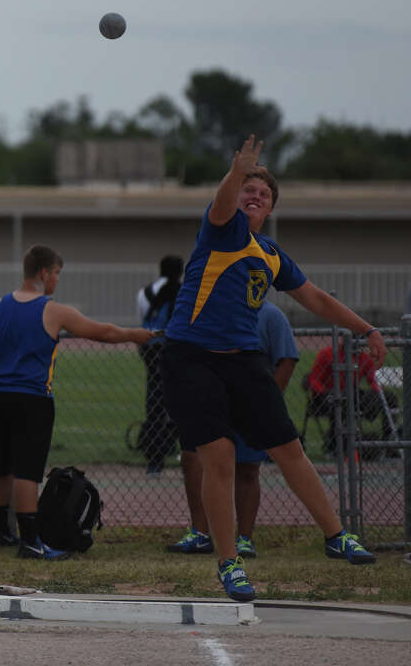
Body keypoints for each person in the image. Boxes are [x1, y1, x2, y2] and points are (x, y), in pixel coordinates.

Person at [160, 135, 384, 602]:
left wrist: (367, 330)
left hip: (244, 361)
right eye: (248, 190)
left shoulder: (271, 254)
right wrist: (238, 170)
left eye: (262, 195)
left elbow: (316, 298)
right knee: (218, 458)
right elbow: (223, 200)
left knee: (288, 447)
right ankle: (229, 564)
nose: (253, 197)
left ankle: (335, 535)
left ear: (270, 210)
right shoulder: (221, 228)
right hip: (192, 357)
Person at [0, 244, 153, 560]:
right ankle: (30, 541)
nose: (57, 280)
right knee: (27, 470)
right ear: (44, 273)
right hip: (31, 396)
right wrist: (137, 335)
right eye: (57, 273)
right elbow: (104, 333)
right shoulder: (52, 309)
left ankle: (2, 532)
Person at [167, 300, 299, 558]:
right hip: (208, 403)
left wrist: (266, 402)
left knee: (247, 469)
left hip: (248, 404)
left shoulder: (271, 315)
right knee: (193, 460)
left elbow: (287, 359)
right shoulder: (207, 309)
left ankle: (244, 539)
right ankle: (201, 533)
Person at [136, 255, 184, 474]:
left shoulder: (145, 293)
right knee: (182, 403)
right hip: (175, 351)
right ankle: (179, 448)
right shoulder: (182, 291)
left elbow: (142, 320)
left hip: (151, 350)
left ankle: (155, 460)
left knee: (154, 403)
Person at [304, 341, 384, 455]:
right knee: (341, 400)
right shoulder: (327, 354)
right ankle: (337, 445)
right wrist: (326, 393)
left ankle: (388, 442)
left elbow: (372, 379)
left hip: (351, 395)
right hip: (325, 397)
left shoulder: (363, 357)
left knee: (388, 397)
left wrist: (379, 392)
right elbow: (314, 380)